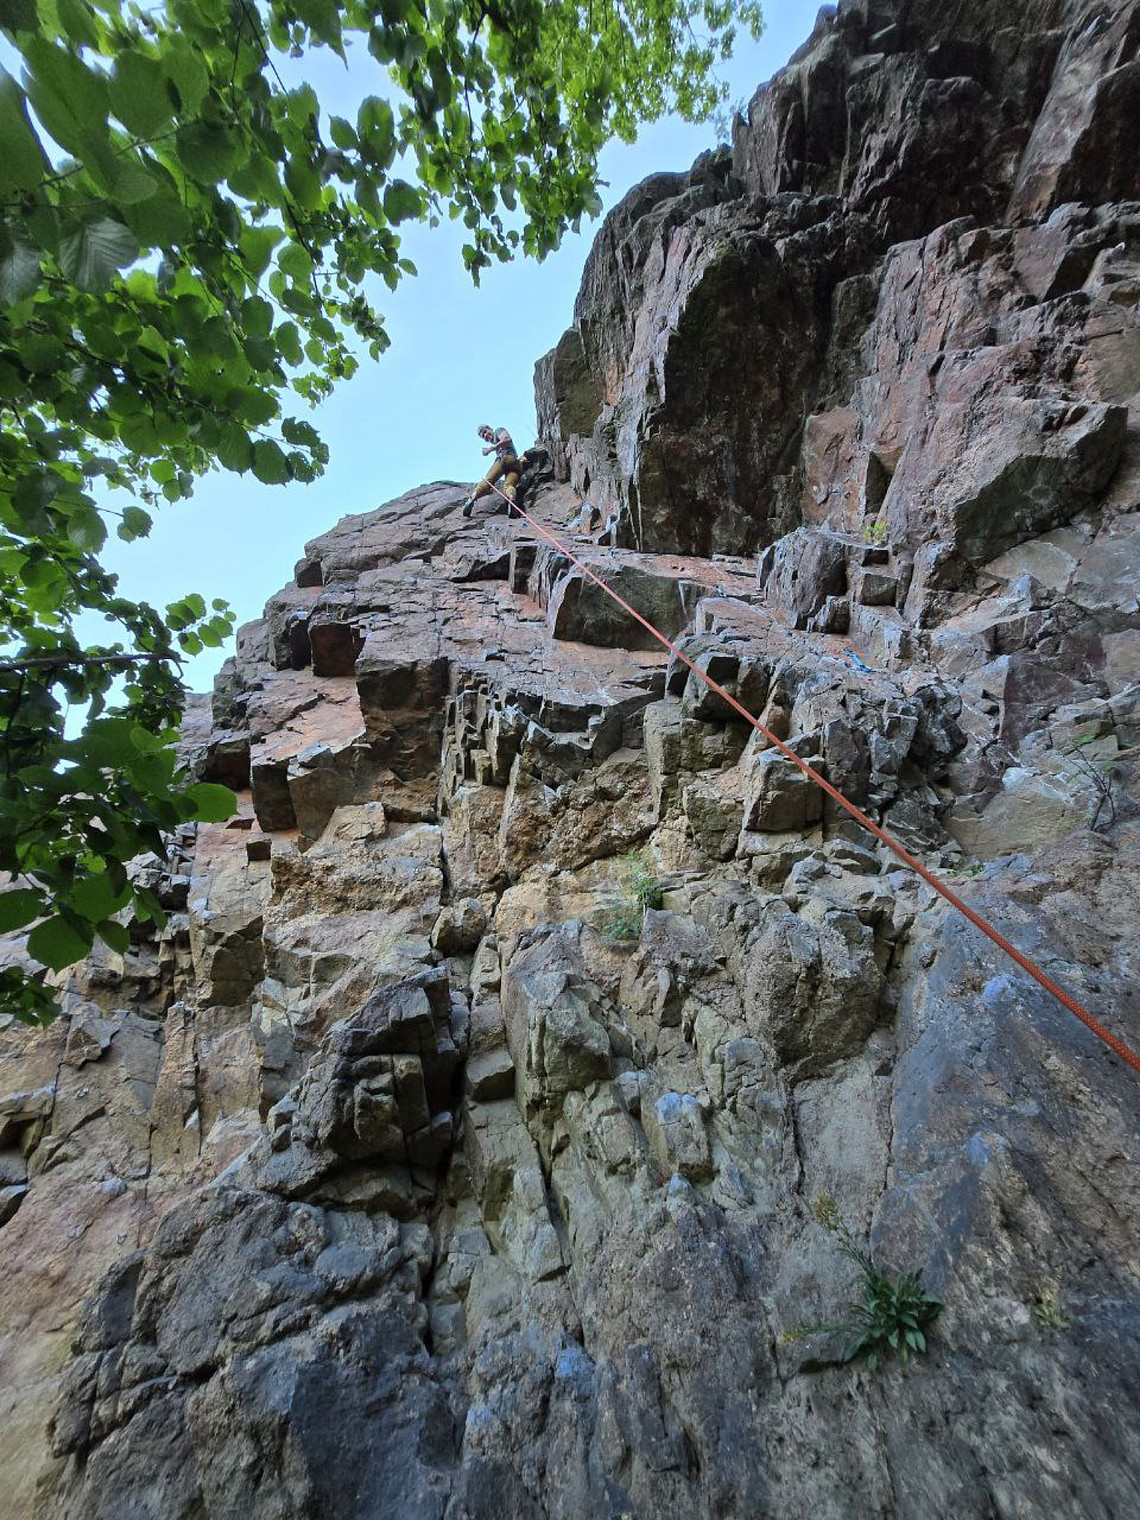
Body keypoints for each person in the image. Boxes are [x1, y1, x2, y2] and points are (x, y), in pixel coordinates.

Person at [462, 424, 527, 517]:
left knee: (488, 481)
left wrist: (491, 449)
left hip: (505, 458)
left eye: (485, 431)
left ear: (490, 429)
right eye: (483, 436)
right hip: (515, 464)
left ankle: (473, 497)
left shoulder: (498, 431)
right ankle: (511, 499)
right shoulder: (497, 445)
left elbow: (507, 439)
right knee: (508, 486)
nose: (485, 435)